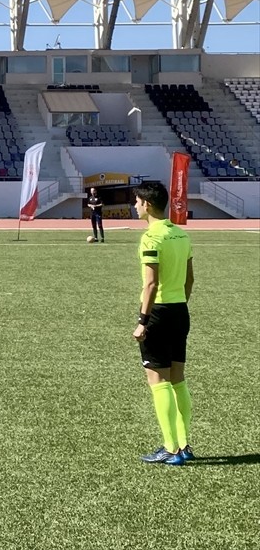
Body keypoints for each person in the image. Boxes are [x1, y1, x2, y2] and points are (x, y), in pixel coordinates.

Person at [131, 180, 195, 466]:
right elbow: (189, 279)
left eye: (136, 202)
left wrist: (143, 321)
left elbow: (151, 284)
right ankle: (184, 444)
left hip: (157, 313)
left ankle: (170, 449)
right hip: (180, 310)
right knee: (178, 379)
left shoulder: (150, 238)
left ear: (146, 204)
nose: (134, 206)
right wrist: (179, 304)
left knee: (157, 381)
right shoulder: (181, 235)